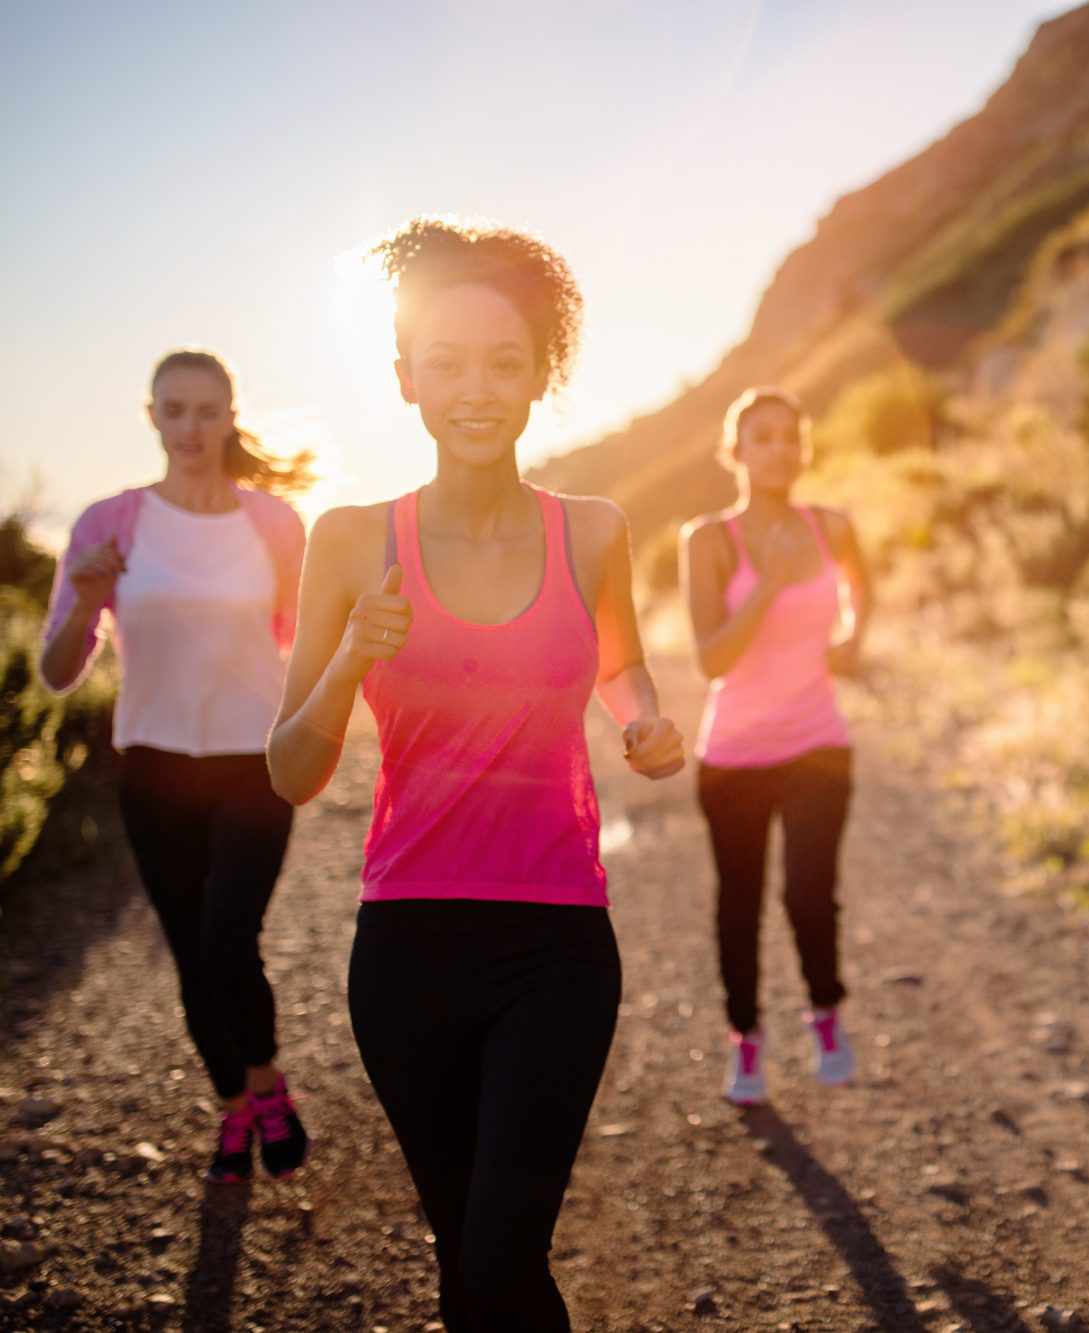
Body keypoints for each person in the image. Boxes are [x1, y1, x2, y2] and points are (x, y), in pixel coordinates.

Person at [266, 217, 683, 1332]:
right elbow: (291, 767)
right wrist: (355, 649)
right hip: (405, 948)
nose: (474, 387)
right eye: (444, 362)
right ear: (403, 379)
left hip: (556, 942)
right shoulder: (353, 540)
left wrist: (645, 721)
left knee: (500, 1245)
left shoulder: (591, 532)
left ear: (541, 376)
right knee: (470, 1258)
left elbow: (620, 665)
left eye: (503, 362)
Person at [38, 350, 312, 1187]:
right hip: (154, 768)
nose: (192, 426)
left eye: (207, 410)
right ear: (151, 416)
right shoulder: (110, 524)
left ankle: (268, 1084)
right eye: (175, 409)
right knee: (193, 952)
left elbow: (310, 646)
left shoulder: (274, 524)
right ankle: (234, 1104)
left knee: (231, 937)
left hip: (253, 762)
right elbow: (56, 671)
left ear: (231, 416)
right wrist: (86, 600)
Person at [679, 387, 872, 1106]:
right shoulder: (709, 539)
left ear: (804, 448)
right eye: (761, 437)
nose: (779, 450)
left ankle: (826, 1015)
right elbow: (710, 660)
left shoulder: (832, 526)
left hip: (820, 743)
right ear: (735, 451)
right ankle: (745, 1039)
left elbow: (862, 586)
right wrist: (772, 588)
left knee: (809, 892)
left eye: (790, 437)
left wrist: (854, 633)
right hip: (733, 755)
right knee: (741, 901)